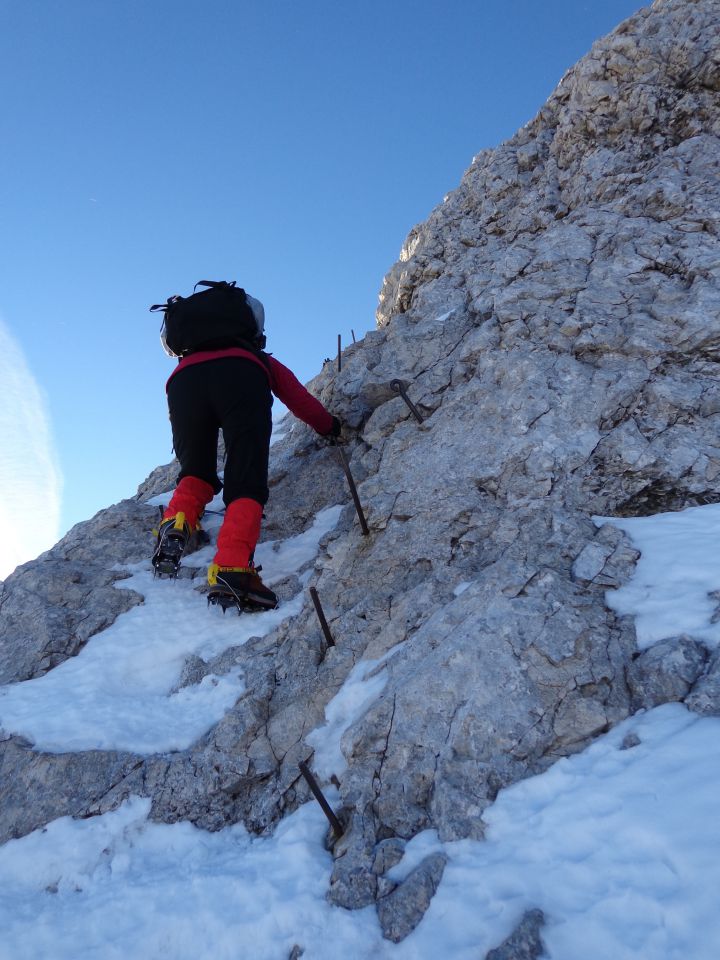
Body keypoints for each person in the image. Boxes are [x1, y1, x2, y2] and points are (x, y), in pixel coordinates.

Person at [152, 284, 340, 610]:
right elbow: (300, 400)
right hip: (242, 375)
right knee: (245, 477)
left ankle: (177, 522)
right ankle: (232, 568)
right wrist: (331, 427)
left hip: (182, 384)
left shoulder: (186, 361)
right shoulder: (256, 358)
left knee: (195, 468)